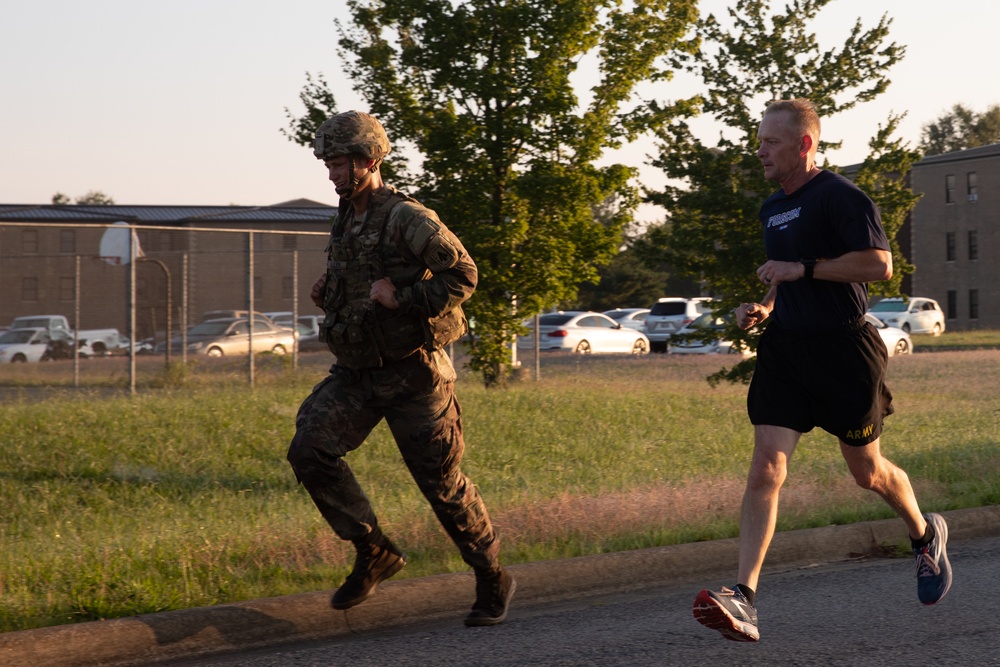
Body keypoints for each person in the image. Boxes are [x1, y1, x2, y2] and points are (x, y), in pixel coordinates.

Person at [692, 98, 952, 642]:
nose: (758, 150)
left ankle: (926, 535)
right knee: (767, 467)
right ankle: (744, 598)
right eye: (759, 140)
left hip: (844, 352)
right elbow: (787, 277)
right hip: (787, 350)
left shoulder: (841, 196)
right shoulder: (771, 208)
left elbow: (879, 265)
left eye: (769, 142)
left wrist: (802, 268)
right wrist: (765, 304)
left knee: (867, 474)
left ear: (803, 144)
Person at [287, 110, 515, 627]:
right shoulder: (346, 215)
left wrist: (404, 298)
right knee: (310, 448)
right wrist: (330, 294)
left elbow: (464, 274)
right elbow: (362, 279)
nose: (332, 174)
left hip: (414, 376)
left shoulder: (408, 216)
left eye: (339, 163)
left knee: (441, 485)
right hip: (359, 374)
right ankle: (374, 551)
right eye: (328, 164)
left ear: (369, 161)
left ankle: (491, 574)